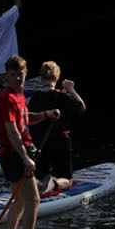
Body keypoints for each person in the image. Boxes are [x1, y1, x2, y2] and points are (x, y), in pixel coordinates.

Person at [0, 55, 58, 229]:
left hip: (14, 155)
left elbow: (24, 119)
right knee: (34, 200)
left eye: (20, 75)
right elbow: (12, 131)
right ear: (7, 76)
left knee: (21, 200)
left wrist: (45, 115)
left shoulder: (20, 95)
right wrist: (25, 158)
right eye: (13, 75)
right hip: (13, 155)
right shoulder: (7, 98)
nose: (17, 79)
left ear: (26, 74)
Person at [27, 61, 86, 196]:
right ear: (57, 78)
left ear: (40, 78)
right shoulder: (61, 96)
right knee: (68, 181)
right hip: (59, 142)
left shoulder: (34, 98)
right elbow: (81, 108)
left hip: (39, 143)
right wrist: (71, 89)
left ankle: (40, 186)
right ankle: (54, 184)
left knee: (40, 176)